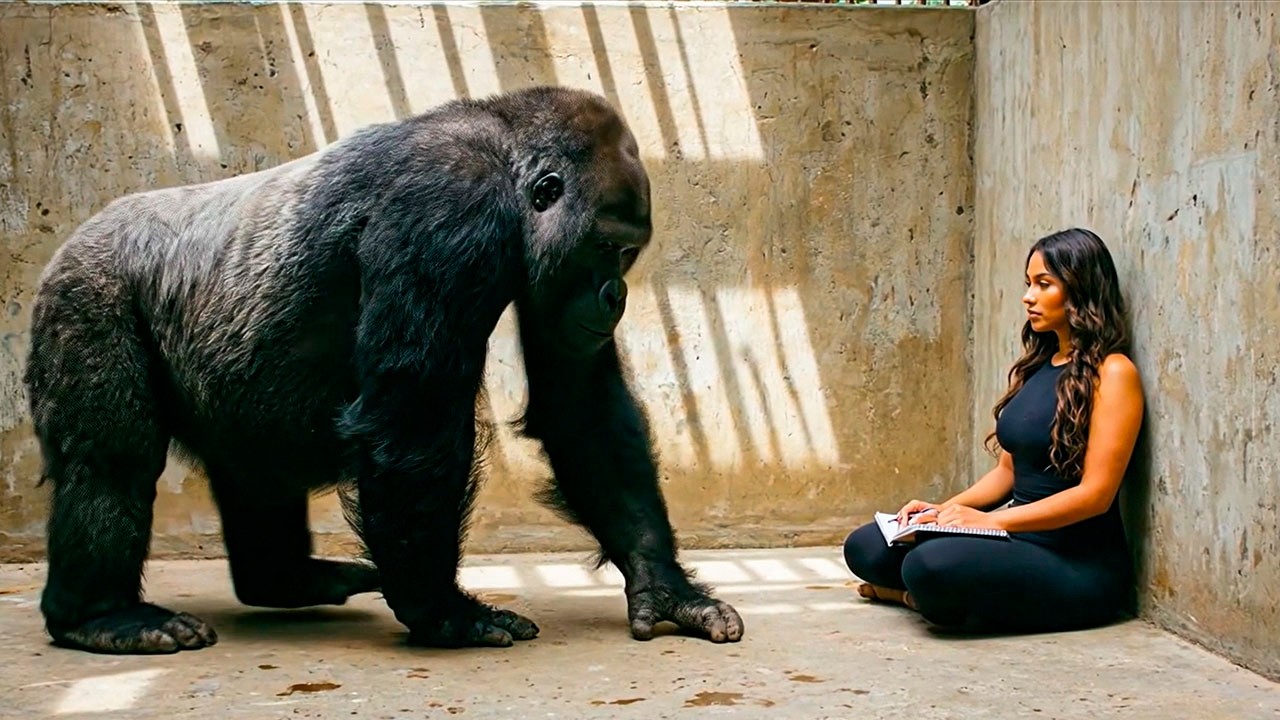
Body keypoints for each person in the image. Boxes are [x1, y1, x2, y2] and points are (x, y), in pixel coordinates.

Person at [842, 227, 1144, 633]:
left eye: (1044, 284)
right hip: (1017, 538)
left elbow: (1095, 496)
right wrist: (942, 514)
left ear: (1079, 289)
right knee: (868, 547)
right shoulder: (1040, 366)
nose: (1028, 297)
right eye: (1028, 284)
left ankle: (915, 597)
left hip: (1075, 561)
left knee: (928, 566)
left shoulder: (1114, 372)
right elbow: (1007, 473)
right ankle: (928, 598)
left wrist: (994, 522)